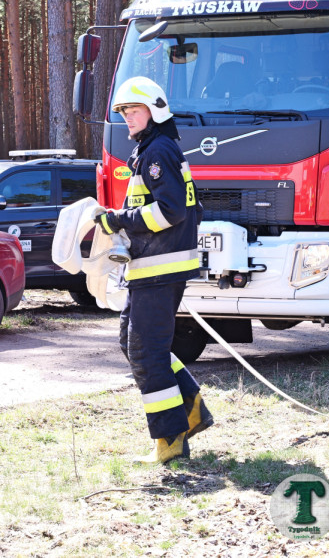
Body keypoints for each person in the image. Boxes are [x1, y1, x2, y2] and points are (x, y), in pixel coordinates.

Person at [94, 76, 213, 464]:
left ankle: (170, 440)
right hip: (154, 267)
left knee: (145, 353)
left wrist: (119, 220)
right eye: (124, 111)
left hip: (161, 268)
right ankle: (191, 411)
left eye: (134, 110)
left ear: (155, 111)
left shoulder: (157, 151)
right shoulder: (155, 149)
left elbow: (171, 210)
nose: (127, 117)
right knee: (136, 345)